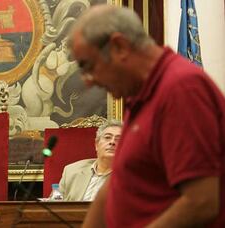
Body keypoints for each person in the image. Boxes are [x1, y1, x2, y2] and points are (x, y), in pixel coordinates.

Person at [69, 5, 225, 227]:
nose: (87, 80)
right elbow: (118, 184)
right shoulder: (141, 96)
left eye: (88, 65)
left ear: (119, 46)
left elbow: (201, 202)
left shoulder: (181, 89)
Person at [58, 120, 121, 201]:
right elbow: (54, 206)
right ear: (96, 145)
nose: (112, 142)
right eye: (107, 137)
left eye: (118, 139)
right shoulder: (71, 171)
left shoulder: (132, 178)